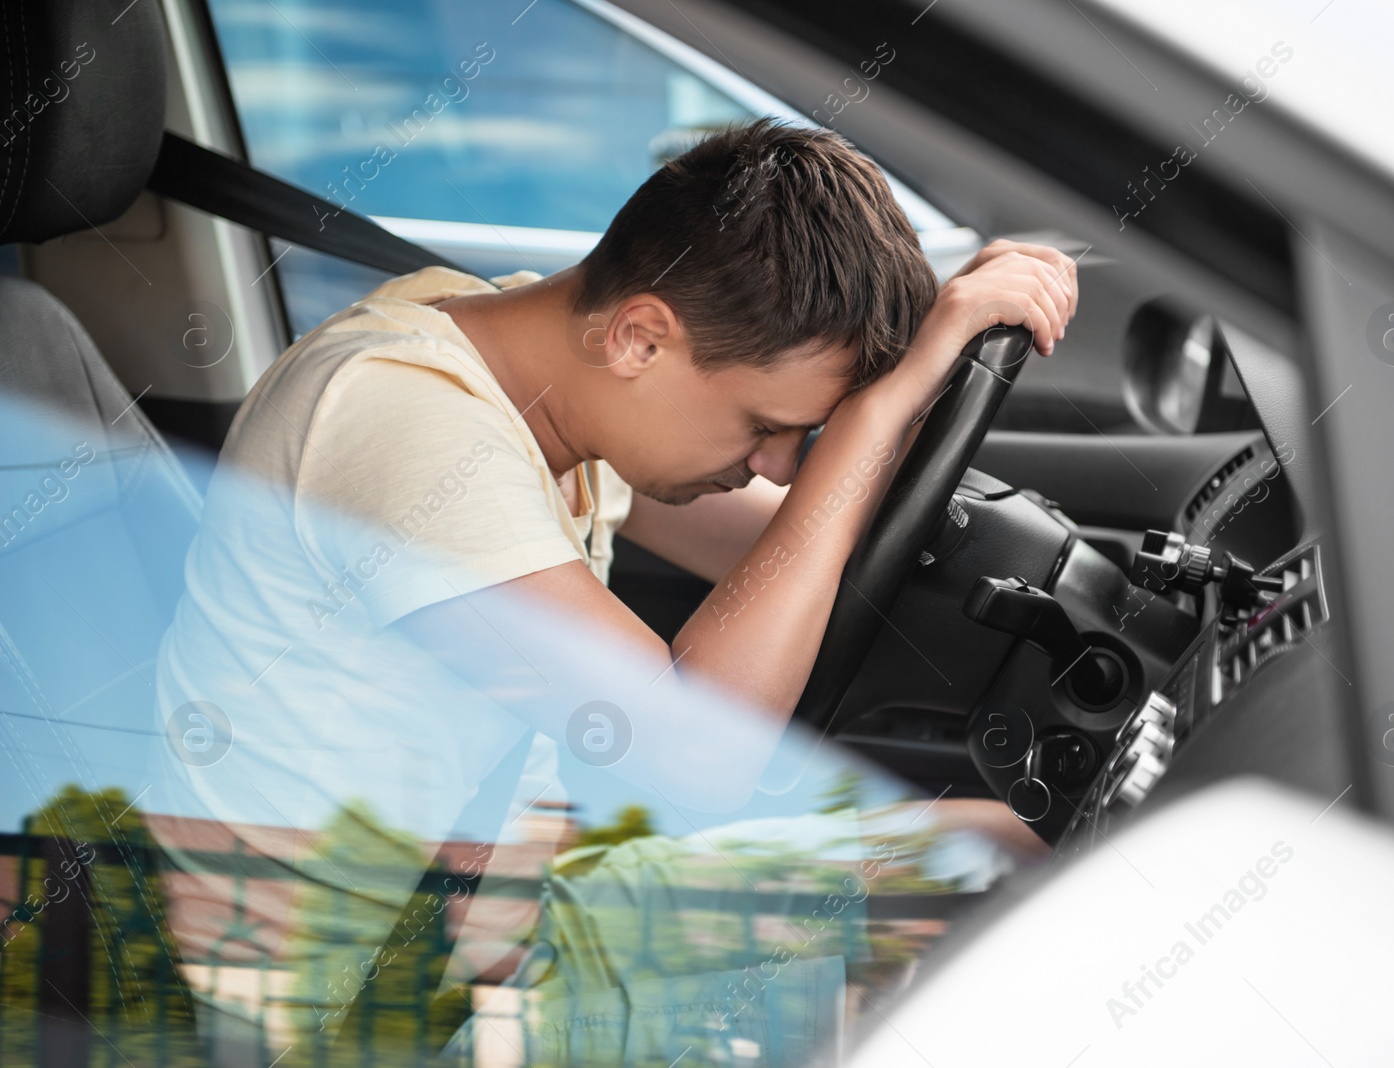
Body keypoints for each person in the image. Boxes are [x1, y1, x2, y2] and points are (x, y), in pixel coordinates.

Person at [151, 118, 1077, 1063]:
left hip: (509, 923)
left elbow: (787, 560)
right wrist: (870, 419)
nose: (771, 467)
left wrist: (922, 381)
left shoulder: (536, 361)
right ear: (639, 338)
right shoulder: (406, 419)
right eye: (765, 427)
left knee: (986, 862)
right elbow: (690, 750)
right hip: (339, 1014)